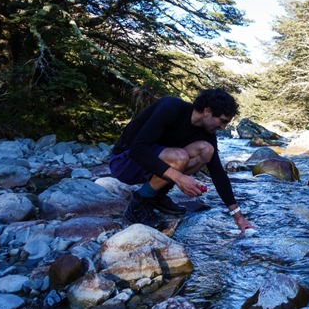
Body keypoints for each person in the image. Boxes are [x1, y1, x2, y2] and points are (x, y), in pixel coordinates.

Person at [108, 88, 253, 233]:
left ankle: (157, 196)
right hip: (124, 162)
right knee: (180, 157)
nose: (223, 127)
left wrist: (238, 216)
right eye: (222, 121)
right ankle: (138, 204)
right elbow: (137, 150)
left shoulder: (207, 133)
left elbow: (218, 172)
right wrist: (179, 178)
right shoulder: (171, 108)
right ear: (207, 111)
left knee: (206, 150)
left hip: (152, 164)